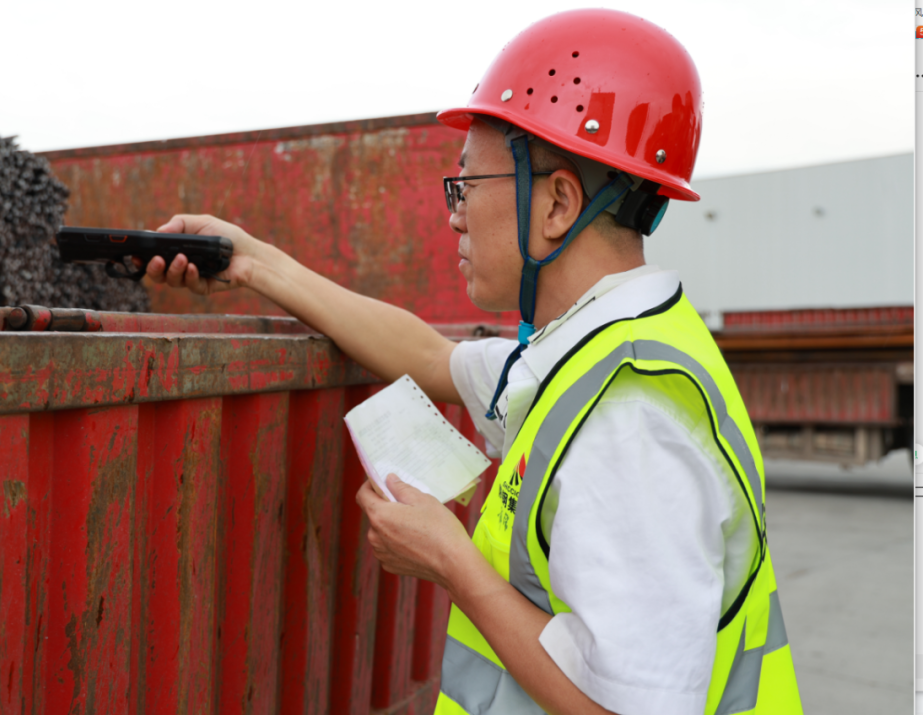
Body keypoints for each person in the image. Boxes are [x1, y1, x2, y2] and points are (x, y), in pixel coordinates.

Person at [144, 9, 803, 715]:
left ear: (557, 204)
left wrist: (450, 559)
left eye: (468, 186)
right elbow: (429, 354)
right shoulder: (590, 351)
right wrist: (253, 260)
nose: (454, 216)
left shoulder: (629, 412)